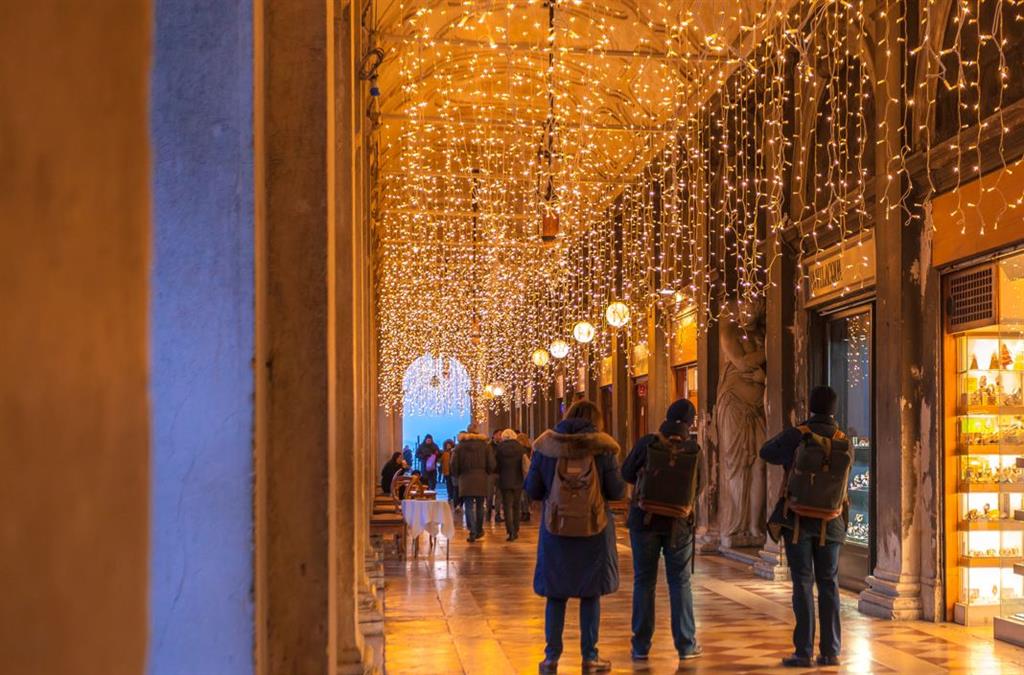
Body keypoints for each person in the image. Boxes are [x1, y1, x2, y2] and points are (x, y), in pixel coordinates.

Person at [525, 400, 624, 673]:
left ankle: (551, 657)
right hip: (594, 530)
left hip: (555, 531)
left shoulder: (546, 447)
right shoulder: (603, 447)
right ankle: (590, 656)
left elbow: (532, 489)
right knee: (590, 594)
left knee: (555, 594)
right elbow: (617, 491)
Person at [759, 385, 844, 668]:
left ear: (810, 406)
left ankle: (803, 651)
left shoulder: (798, 434)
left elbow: (765, 452)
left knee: (803, 584)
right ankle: (831, 651)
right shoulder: (843, 439)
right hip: (831, 522)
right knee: (829, 584)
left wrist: (793, 436)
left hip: (797, 522)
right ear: (834, 409)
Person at [621, 399, 704, 664]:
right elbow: (699, 487)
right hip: (679, 525)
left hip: (644, 521)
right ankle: (686, 644)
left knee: (644, 581)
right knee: (680, 582)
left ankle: (641, 645)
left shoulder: (648, 442)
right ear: (690, 423)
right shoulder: (694, 449)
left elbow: (626, 472)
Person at [451, 424, 495, 542]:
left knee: (468, 506)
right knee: (480, 506)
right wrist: (488, 472)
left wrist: (457, 474)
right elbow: (491, 463)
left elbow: (454, 463)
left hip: (465, 478)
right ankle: (479, 530)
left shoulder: (460, 446)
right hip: (481, 478)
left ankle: (472, 530)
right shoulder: (485, 446)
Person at [495, 428, 528, 541]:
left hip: (504, 481)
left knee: (507, 506)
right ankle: (516, 529)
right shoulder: (520, 448)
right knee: (516, 506)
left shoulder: (499, 448)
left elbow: (496, 466)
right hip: (518, 480)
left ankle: (510, 531)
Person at [517, 431, 533, 522]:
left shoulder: (521, 450)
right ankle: (527, 512)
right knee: (526, 494)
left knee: (523, 495)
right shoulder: (530, 449)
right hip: (529, 473)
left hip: (522, 473)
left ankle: (525, 512)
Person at [489, 428, 504, 522]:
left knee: (499, 495)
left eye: (501, 434)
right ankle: (488, 514)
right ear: (494, 435)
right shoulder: (489, 446)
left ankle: (497, 514)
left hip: (501, 472)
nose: (500, 436)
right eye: (499, 434)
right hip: (491, 473)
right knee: (489, 495)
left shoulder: (503, 445)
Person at [440, 438, 456, 505]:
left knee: (453, 485)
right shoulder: (444, 453)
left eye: (449, 445)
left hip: (453, 471)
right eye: (447, 445)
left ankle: (453, 497)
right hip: (446, 471)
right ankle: (450, 496)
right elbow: (441, 462)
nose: (448, 446)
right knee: (448, 484)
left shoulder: (454, 452)